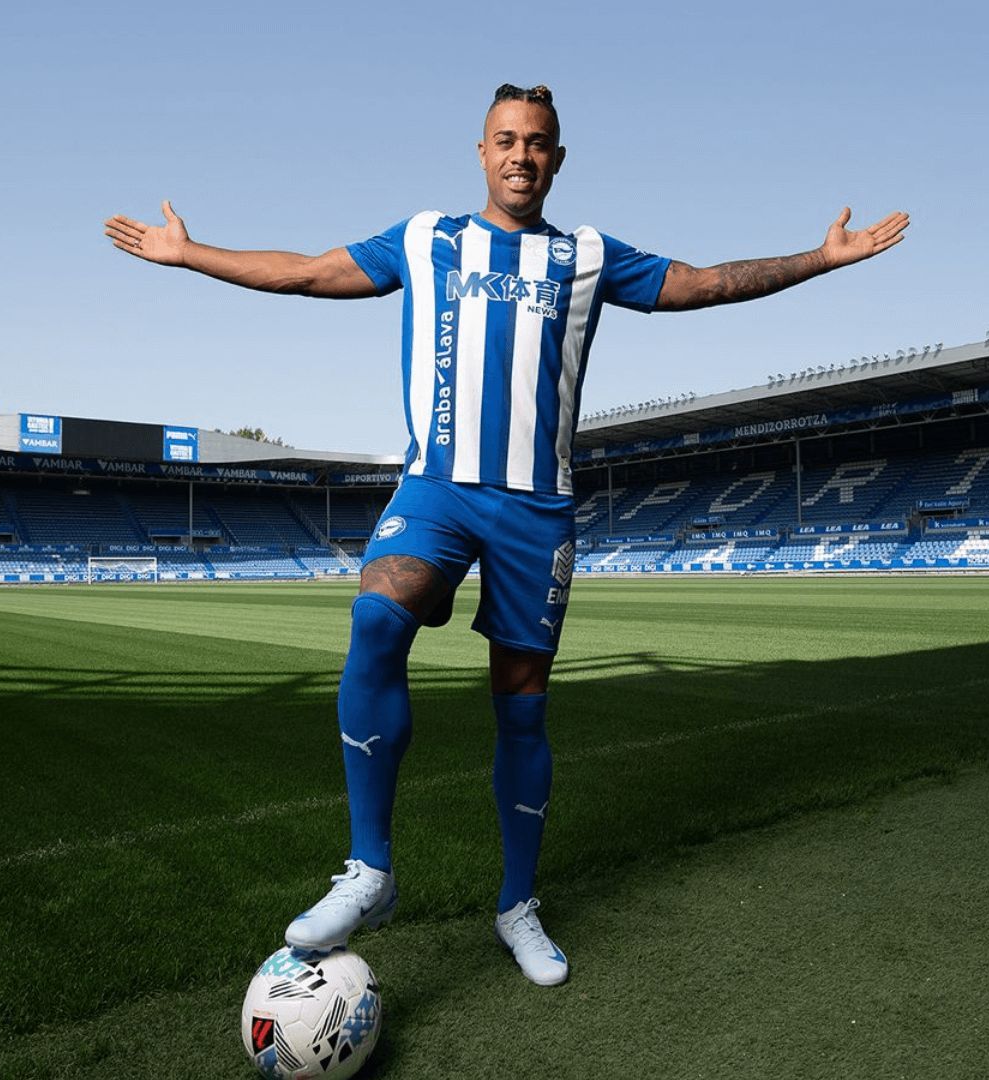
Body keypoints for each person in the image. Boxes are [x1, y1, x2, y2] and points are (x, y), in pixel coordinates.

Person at [105, 83, 908, 986]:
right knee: (376, 620)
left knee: (521, 705)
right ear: (480, 153)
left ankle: (517, 904)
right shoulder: (425, 239)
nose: (521, 155)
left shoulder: (590, 257)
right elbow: (303, 270)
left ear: (557, 159)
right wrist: (188, 254)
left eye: (537, 142)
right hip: (438, 490)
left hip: (538, 509)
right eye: (505, 140)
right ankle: (370, 869)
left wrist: (822, 259)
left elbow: (707, 284)